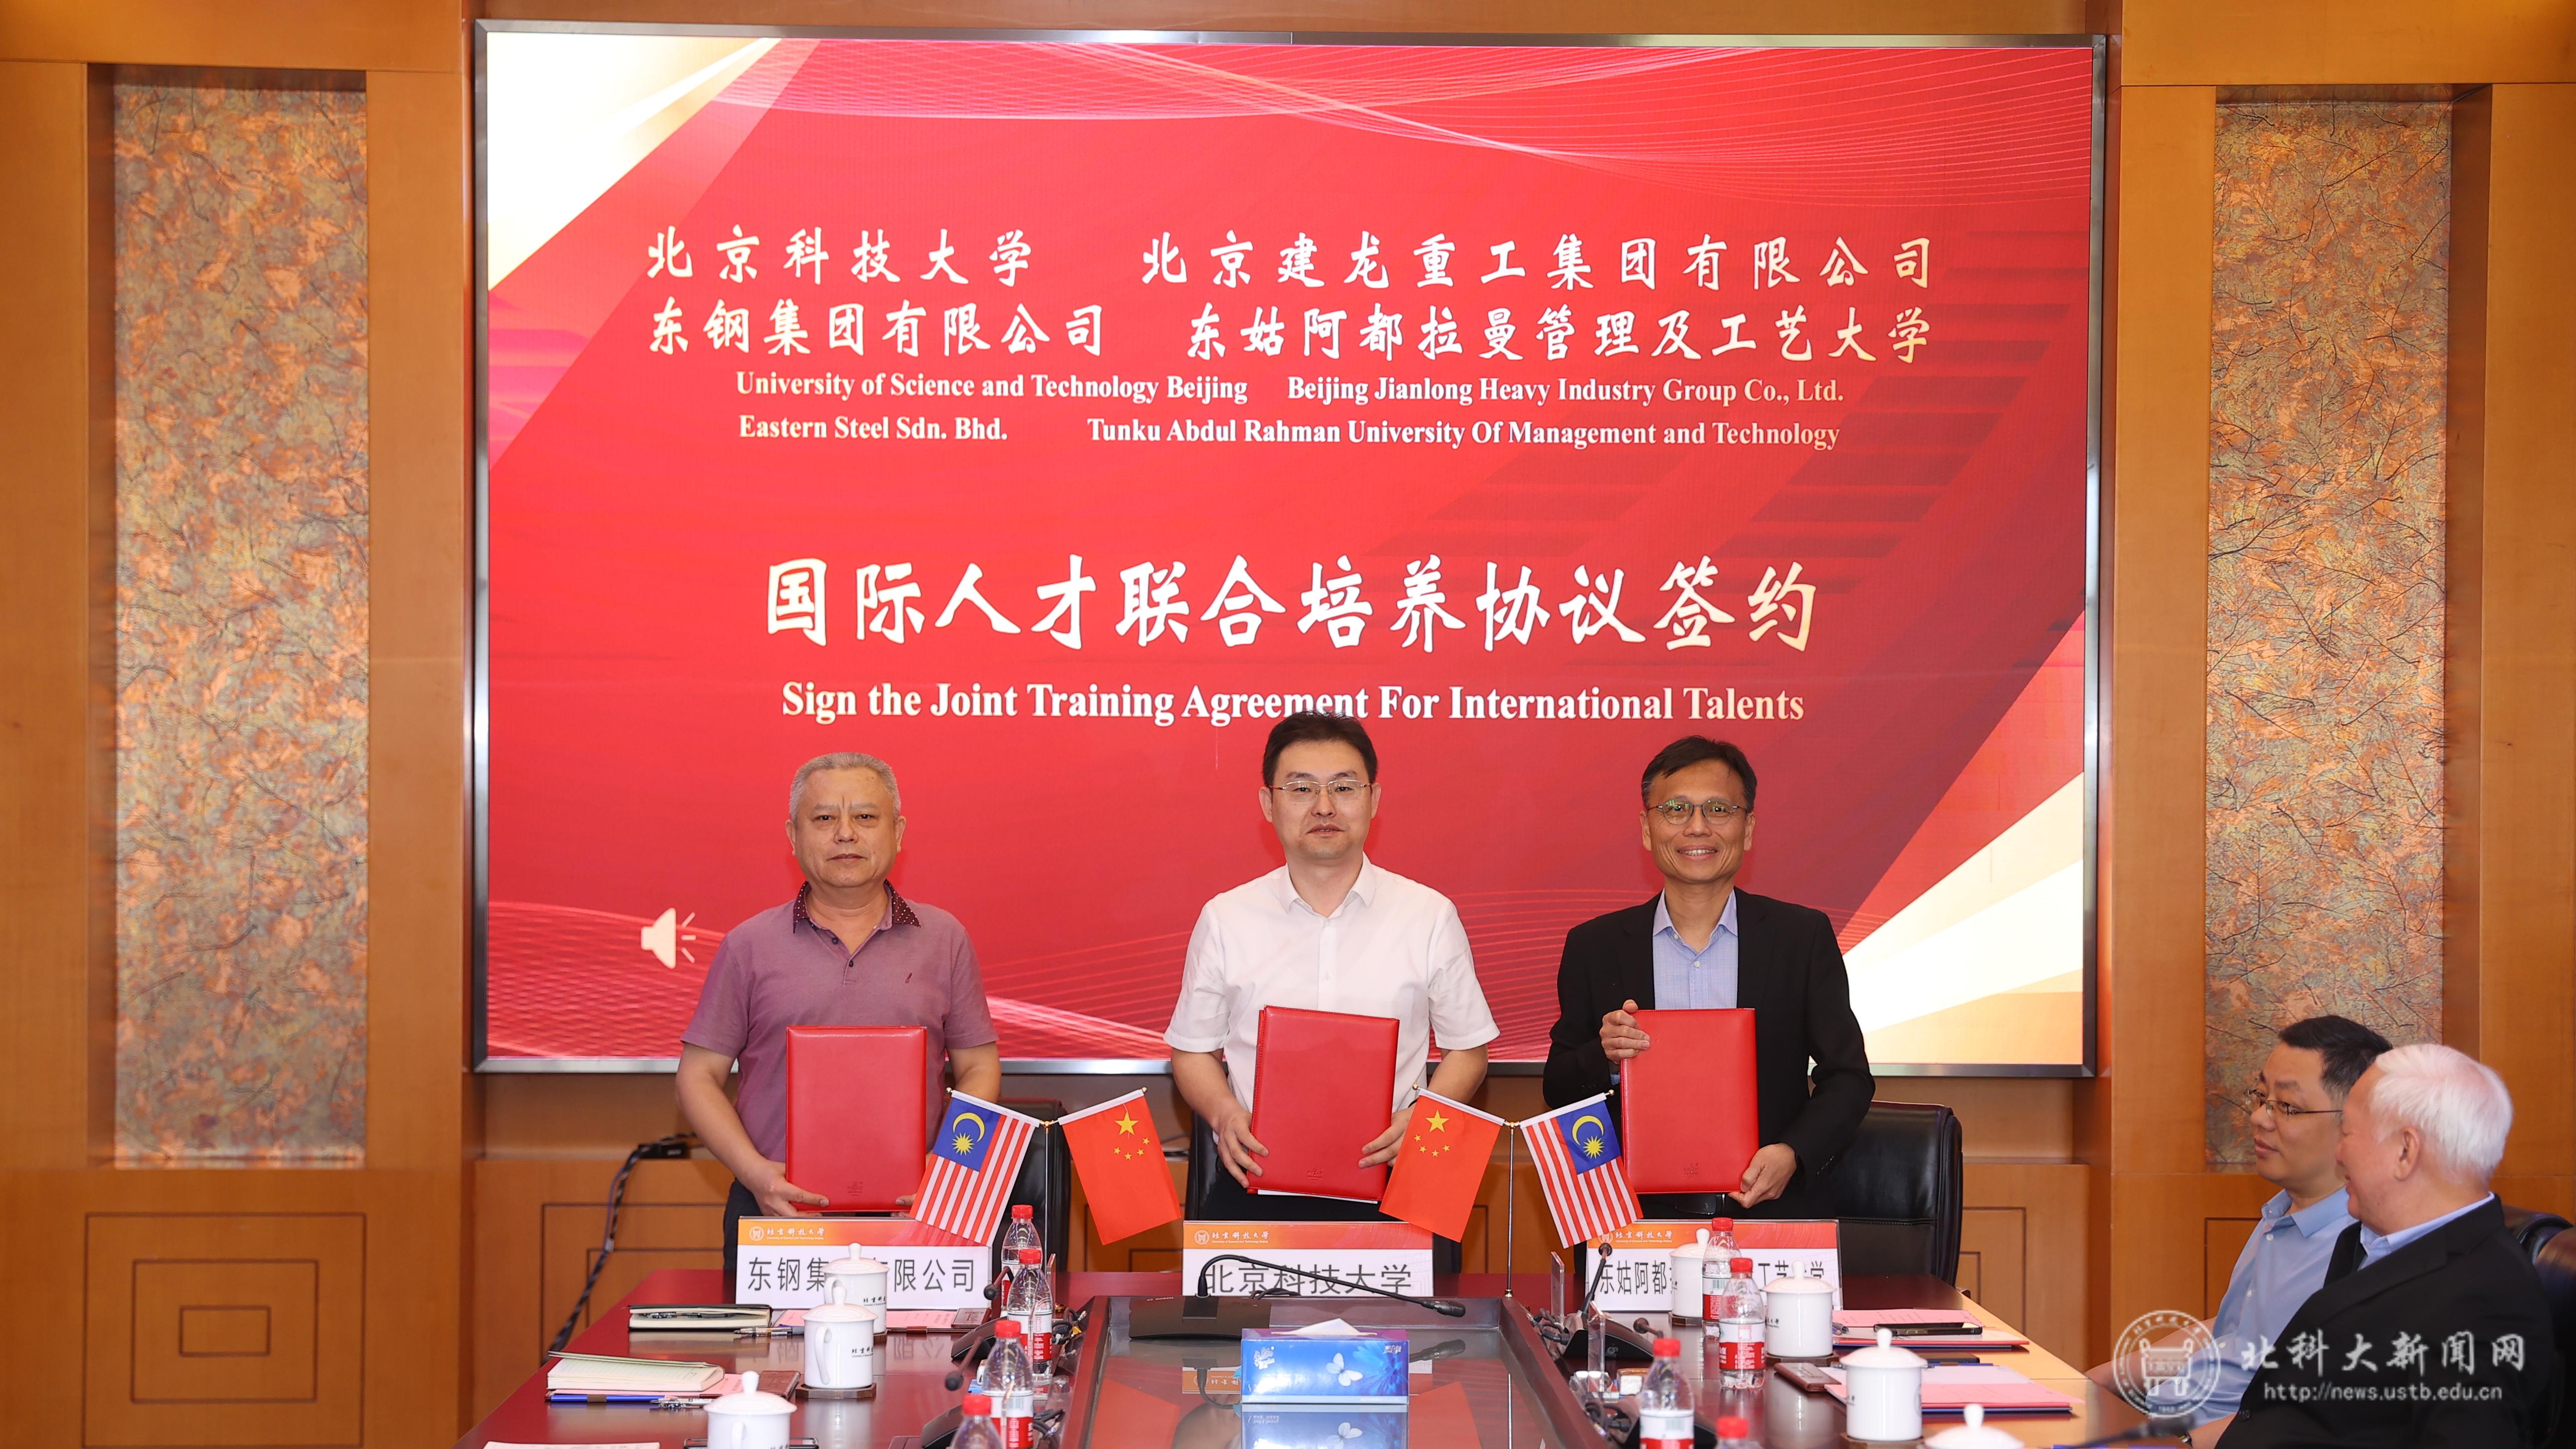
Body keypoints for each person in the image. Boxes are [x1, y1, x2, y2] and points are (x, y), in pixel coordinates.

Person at [678, 752, 1001, 1282]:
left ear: (898, 832)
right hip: (775, 1211)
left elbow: (980, 1068)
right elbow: (697, 1077)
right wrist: (756, 1175)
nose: (845, 833)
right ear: (793, 835)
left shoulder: (945, 939)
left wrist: (951, 1170)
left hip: (917, 1213)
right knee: (772, 1341)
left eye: (866, 817)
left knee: (922, 1338)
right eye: (825, 818)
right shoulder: (747, 945)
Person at [1165, 711, 1499, 1225]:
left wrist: (1422, 1119)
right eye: (1301, 788)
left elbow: (1468, 1049)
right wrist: (1224, 1113)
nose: (1324, 806)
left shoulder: (1428, 915)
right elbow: (1192, 1050)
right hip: (1256, 1179)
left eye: (1344, 787)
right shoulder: (1226, 917)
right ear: (1268, 803)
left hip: (1397, 1177)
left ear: (1374, 799)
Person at [1542, 736, 1872, 1213]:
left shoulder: (1800, 937)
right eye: (1675, 810)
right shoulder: (1595, 945)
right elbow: (1557, 1086)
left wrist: (1793, 1154)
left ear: (1748, 828)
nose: (1697, 827)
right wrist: (1606, 1056)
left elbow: (1848, 1076)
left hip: (1767, 1209)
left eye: (1719, 810)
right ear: (1646, 829)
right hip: (1632, 1216)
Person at [2214, 1043, 2558, 1447]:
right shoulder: (2365, 1242)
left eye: (2347, 1134)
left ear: (2404, 1151)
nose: (2339, 1154)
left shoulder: (2482, 1305)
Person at [2088, 1015, 2390, 1427]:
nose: (2259, 1118)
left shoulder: (2365, 1249)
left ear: (2353, 1123)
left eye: (2287, 1107)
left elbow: (2313, 1415)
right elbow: (2236, 1335)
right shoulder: (2280, 1213)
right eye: (2260, 1097)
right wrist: (2100, 1381)